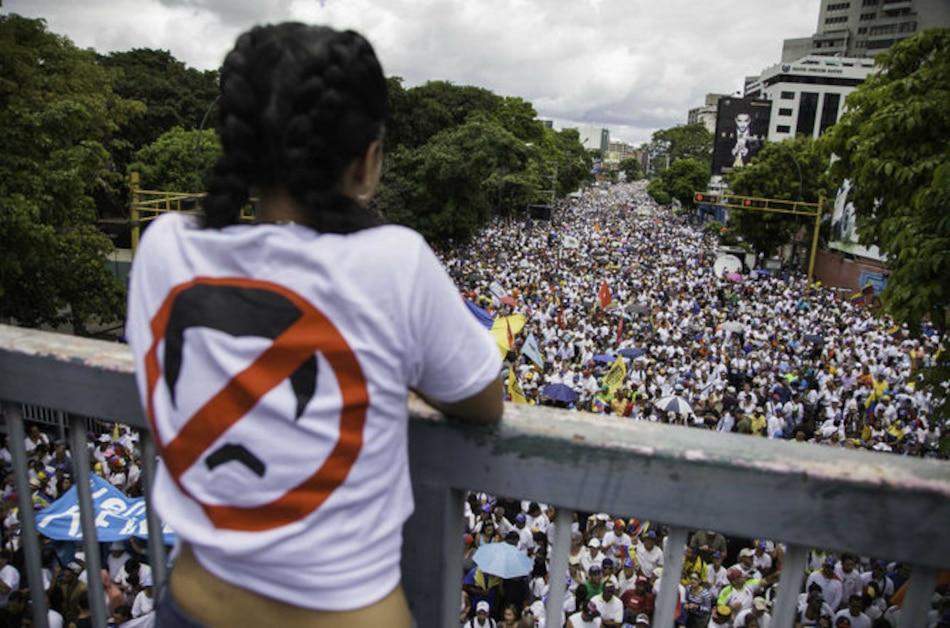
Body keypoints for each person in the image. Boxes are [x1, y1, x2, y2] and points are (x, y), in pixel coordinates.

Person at [126, 22, 503, 628]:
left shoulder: (164, 248)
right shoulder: (396, 260)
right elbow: (483, 402)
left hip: (190, 607)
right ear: (368, 161)